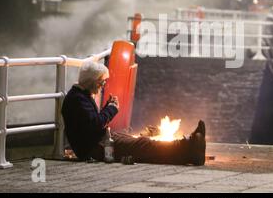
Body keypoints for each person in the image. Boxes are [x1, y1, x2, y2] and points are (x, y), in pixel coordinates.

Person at [61, 60, 206, 165]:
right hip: (95, 148)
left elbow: (92, 122)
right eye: (101, 82)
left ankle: (187, 149)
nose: (103, 85)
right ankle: (188, 148)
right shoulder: (77, 100)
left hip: (99, 141)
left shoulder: (80, 96)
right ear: (92, 81)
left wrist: (108, 107)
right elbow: (96, 123)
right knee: (143, 146)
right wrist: (112, 109)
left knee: (141, 144)